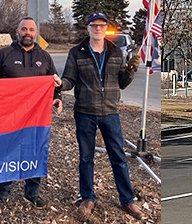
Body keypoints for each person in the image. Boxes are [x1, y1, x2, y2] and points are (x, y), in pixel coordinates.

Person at [59, 12, 145, 220]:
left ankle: (128, 200)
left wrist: (131, 70)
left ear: (106, 28)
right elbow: (70, 79)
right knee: (86, 158)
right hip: (85, 113)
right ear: (88, 28)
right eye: (94, 25)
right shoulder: (76, 52)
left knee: (118, 157)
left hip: (110, 113)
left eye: (101, 25)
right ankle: (88, 197)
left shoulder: (116, 52)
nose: (98, 28)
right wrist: (60, 85)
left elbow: (122, 82)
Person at [0, 16, 63, 210]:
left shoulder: (44, 57)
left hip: (36, 117)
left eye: (31, 30)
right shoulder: (4, 54)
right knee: (6, 152)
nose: (27, 33)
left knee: (35, 151)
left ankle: (32, 192)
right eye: (24, 29)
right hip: (8, 116)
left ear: (36, 33)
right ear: (17, 32)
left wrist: (58, 97)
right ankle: (2, 193)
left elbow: (53, 83)